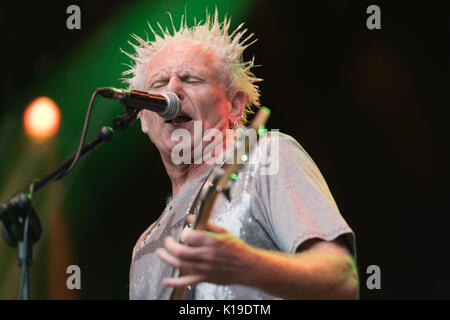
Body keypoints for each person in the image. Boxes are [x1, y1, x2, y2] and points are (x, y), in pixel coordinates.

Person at [124, 9, 358, 300]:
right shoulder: (144, 245)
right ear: (144, 119)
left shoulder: (266, 157)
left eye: (191, 79)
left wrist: (247, 266)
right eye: (159, 85)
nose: (172, 91)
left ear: (234, 106)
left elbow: (342, 282)